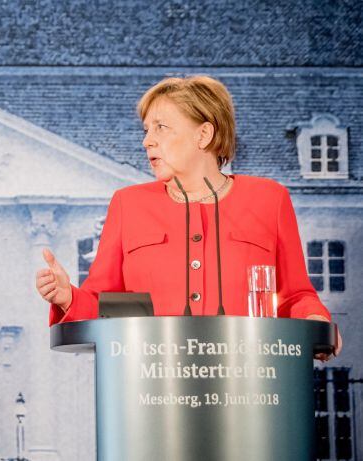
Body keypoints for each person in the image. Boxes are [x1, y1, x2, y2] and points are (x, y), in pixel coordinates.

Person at [35, 75, 341, 359]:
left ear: (204, 134)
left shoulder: (269, 199)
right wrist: (67, 297)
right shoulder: (128, 205)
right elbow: (107, 309)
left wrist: (317, 323)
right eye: (146, 131)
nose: (147, 141)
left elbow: (295, 296)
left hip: (251, 384)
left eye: (161, 128)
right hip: (154, 386)